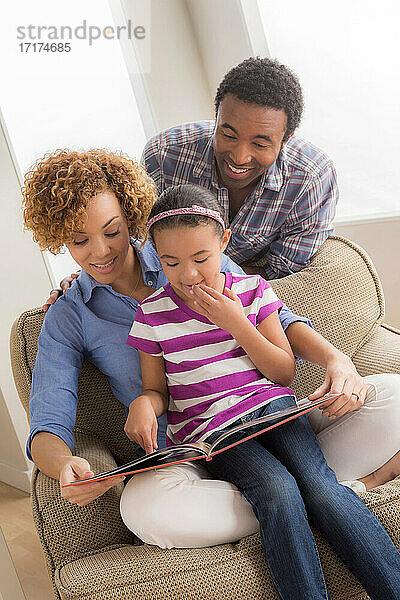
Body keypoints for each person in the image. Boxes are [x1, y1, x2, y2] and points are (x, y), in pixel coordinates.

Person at [125, 183, 400, 600]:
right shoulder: (152, 315)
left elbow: (284, 371)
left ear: (224, 242)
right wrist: (144, 404)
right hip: (216, 434)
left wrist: (237, 322)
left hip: (274, 411)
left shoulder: (253, 291)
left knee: (322, 489)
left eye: (201, 258)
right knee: (277, 491)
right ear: (156, 256)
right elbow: (155, 390)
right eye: (170, 262)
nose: (188, 274)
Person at [21, 149, 309, 510]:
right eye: (79, 241)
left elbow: (271, 315)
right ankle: (295, 501)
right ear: (59, 237)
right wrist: (64, 464)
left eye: (112, 231)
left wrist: (335, 359)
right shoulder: (69, 315)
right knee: (143, 508)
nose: (101, 251)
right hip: (182, 458)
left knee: (387, 395)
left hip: (251, 420)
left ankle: (291, 502)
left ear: (130, 215)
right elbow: (48, 417)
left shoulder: (179, 250)